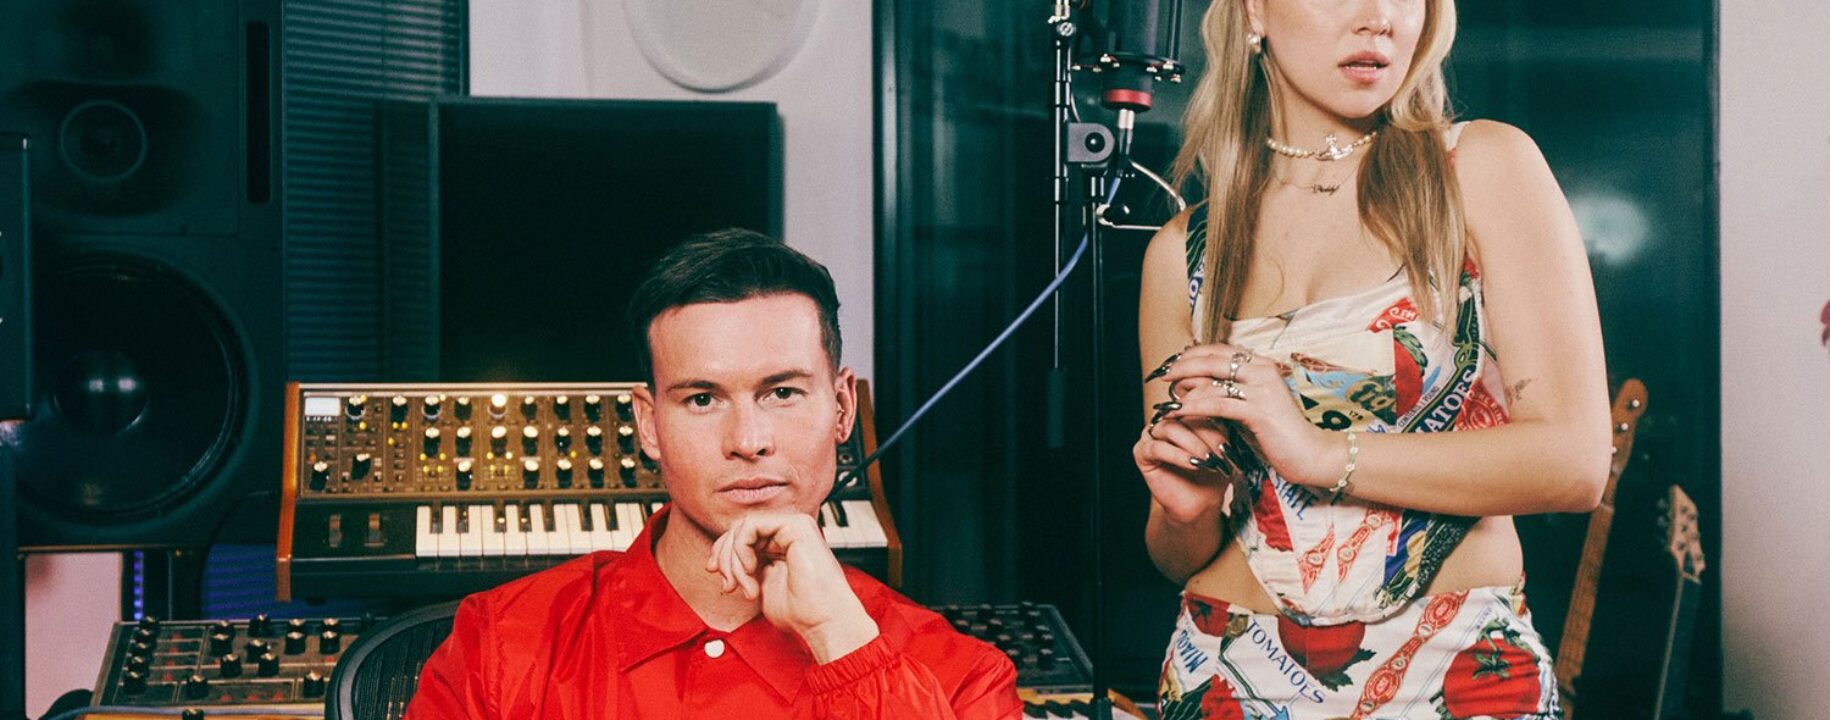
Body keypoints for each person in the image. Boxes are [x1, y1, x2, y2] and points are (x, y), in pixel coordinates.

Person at [1132, 0, 1608, 717]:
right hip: (1227, 670)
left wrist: (1318, 452)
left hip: (1453, 671)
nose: (1379, 17)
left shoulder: (1478, 168)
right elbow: (1178, 554)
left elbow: (1574, 462)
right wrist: (1186, 512)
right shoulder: (1184, 251)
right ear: (1255, 9)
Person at [407, 229, 1021, 719]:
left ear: (842, 409)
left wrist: (843, 640)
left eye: (782, 392)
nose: (748, 441)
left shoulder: (963, 680)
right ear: (648, 423)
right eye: (702, 399)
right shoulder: (498, 644)